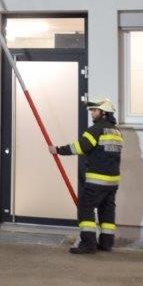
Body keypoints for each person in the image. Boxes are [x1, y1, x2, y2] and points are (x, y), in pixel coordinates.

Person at [48, 97, 123, 254]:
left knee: (85, 208)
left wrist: (58, 150)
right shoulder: (117, 132)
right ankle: (106, 243)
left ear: (104, 113)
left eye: (94, 110)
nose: (91, 113)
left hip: (97, 180)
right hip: (112, 181)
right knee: (106, 210)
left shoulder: (95, 130)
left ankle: (88, 244)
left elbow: (80, 147)